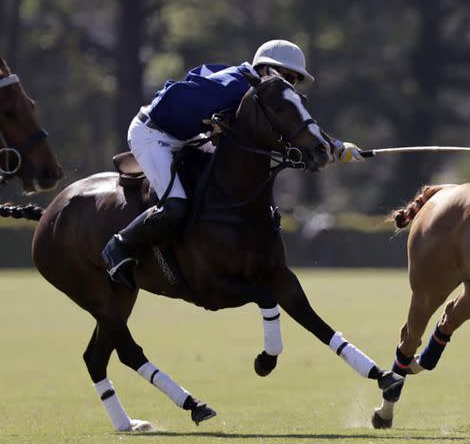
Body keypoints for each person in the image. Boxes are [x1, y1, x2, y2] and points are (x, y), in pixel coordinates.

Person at [102, 39, 363, 290]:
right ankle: (120, 245)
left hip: (185, 135)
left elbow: (297, 126)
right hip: (153, 134)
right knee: (176, 205)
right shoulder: (236, 86)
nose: (292, 85)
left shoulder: (251, 86)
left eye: (295, 80)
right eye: (288, 77)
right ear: (266, 69)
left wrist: (337, 146)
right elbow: (175, 100)